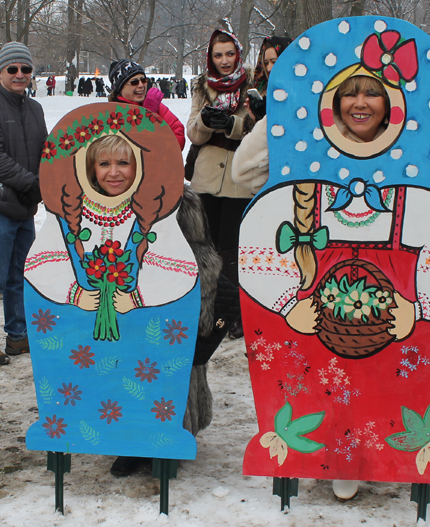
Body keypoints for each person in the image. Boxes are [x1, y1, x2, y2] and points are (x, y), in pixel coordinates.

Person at [233, 61, 430, 498]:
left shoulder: (414, 183)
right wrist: (290, 304)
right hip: (325, 332)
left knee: (399, 386)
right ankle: (344, 454)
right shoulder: (305, 176)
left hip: (396, 330)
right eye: (349, 92)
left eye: (373, 92)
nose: (360, 103)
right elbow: (254, 221)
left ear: (393, 105)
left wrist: (419, 307)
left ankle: (416, 453)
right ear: (331, 102)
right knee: (332, 384)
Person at [25, 107, 221, 475]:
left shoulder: (165, 209)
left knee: (147, 382)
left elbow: (181, 266)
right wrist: (75, 293)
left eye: (123, 163)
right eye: (104, 164)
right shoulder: (70, 214)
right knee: (105, 382)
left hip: (149, 323)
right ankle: (118, 437)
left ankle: (154, 440)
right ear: (90, 168)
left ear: (139, 167)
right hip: (87, 324)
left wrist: (138, 297)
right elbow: (42, 263)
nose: (114, 172)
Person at [187, 29, 254, 339]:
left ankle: (235, 311)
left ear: (238, 55)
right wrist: (204, 121)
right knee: (206, 246)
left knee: (233, 247)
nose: (224, 61)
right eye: (218, 55)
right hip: (206, 178)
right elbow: (192, 131)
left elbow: (258, 125)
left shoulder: (252, 85)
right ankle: (207, 306)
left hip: (241, 177)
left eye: (229, 54)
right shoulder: (201, 86)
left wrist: (232, 124)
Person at [0, 41, 47, 365]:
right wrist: (29, 182)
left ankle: (17, 336)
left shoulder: (35, 109)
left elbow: (48, 150)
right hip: (2, 206)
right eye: (12, 69)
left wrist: (45, 184)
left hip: (26, 208)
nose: (20, 75)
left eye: (25, 69)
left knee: (20, 275)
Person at [108, 59, 185, 150]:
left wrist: (163, 151)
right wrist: (148, 115)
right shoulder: (112, 113)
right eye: (134, 82)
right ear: (120, 88)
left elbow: (178, 133)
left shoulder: (156, 106)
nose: (141, 85)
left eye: (143, 80)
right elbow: (129, 148)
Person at [246, 36, 292, 121]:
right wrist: (255, 116)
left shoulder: (299, 92)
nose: (269, 68)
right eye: (266, 63)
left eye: (274, 62)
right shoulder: (262, 89)